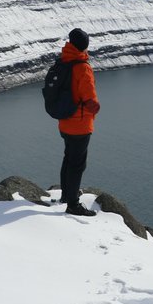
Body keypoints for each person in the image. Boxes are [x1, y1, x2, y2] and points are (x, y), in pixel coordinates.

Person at [57, 27, 100, 216]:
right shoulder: (82, 67)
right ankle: (73, 204)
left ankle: (67, 195)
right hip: (80, 125)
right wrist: (96, 108)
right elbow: (89, 99)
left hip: (65, 122)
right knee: (77, 164)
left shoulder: (63, 61)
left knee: (68, 158)